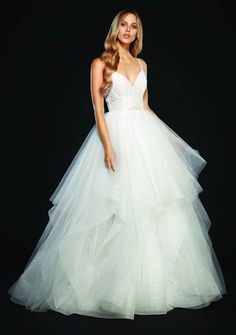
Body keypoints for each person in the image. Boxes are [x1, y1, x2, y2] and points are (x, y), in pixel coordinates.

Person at [8, 8, 226, 320]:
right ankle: (105, 288)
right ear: (116, 29)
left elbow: (146, 106)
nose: (127, 30)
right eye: (123, 25)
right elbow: (98, 108)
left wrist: (173, 139)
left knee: (152, 208)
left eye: (133, 26)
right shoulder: (100, 63)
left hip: (146, 140)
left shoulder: (142, 63)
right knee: (113, 209)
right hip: (116, 137)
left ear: (138, 33)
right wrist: (108, 146)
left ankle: (148, 286)